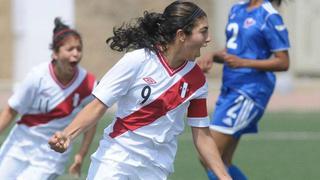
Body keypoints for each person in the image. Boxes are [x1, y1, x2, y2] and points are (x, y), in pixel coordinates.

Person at [48, 1, 232, 180]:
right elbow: (98, 105)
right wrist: (67, 134)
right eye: (203, 31)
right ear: (182, 35)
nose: (208, 39)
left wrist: (224, 176)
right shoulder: (138, 60)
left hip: (157, 167)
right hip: (117, 157)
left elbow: (202, 135)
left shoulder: (197, 79)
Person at [197, 0, 290, 179]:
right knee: (222, 160)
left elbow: (283, 62)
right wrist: (213, 55)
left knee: (209, 155)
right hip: (231, 87)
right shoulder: (237, 9)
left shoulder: (269, 15)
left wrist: (244, 63)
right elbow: (235, 48)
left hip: (250, 91)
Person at [0, 17, 97, 179]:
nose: (76, 54)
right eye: (70, 49)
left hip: (50, 157)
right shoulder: (37, 76)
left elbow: (92, 120)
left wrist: (81, 155)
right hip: (18, 147)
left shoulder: (88, 83)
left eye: (79, 49)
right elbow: (11, 110)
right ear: (55, 53)